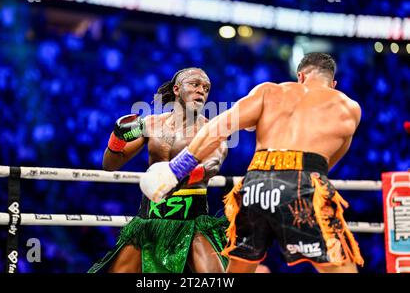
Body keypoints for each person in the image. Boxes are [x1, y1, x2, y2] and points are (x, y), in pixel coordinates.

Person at [141, 52, 364, 273]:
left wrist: (175, 170)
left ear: (301, 76)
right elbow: (326, 165)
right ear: (333, 83)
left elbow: (217, 128)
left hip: (256, 182)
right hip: (302, 181)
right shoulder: (349, 107)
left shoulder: (270, 91)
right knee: (339, 265)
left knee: (240, 266)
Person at [88, 67, 229, 273]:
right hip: (150, 217)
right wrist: (116, 139)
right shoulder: (151, 124)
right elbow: (110, 165)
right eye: (195, 85)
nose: (202, 91)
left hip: (192, 219)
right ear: (177, 89)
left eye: (206, 88)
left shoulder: (211, 129)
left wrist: (178, 173)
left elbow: (214, 163)